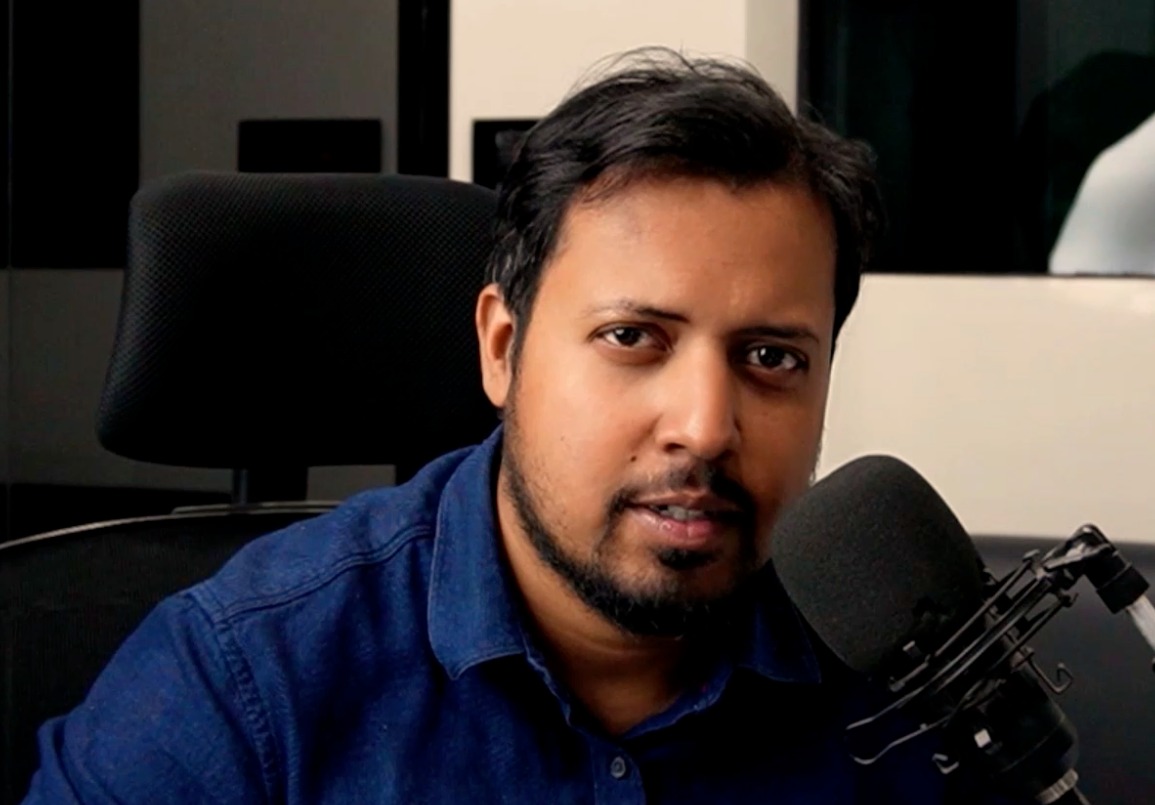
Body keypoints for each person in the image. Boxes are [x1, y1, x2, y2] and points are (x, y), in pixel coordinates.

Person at [22, 49, 1020, 804]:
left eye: (771, 358)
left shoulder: (906, 675)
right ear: (503, 348)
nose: (705, 426)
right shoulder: (244, 681)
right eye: (632, 337)